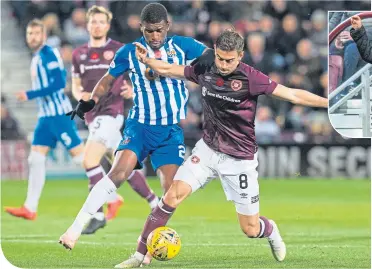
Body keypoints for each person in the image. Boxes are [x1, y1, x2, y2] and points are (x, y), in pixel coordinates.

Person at [114, 29, 328, 268]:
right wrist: (146, 60)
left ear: (240, 56)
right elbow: (169, 69)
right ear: (215, 52)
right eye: (220, 58)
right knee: (171, 196)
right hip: (207, 151)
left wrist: (328, 103)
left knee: (250, 228)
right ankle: (140, 255)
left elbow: (292, 94)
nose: (224, 65)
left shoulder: (251, 78)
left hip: (239, 159)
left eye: (229, 60)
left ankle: (269, 229)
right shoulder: (205, 68)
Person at [59, 2, 211, 250]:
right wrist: (89, 102)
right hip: (139, 127)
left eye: (159, 30)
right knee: (117, 174)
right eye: (149, 30)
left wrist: (199, 65)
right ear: (141, 27)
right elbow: (108, 80)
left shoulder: (181, 45)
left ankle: (151, 244)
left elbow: (209, 54)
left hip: (169, 131)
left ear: (167, 27)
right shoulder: (129, 52)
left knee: (172, 191)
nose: (154, 36)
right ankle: (74, 230)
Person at [71, 5, 159, 235]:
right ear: (88, 24)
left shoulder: (119, 49)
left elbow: (142, 73)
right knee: (123, 166)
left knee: (89, 161)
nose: (97, 25)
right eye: (93, 21)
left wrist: (132, 90)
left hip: (111, 113)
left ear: (108, 25)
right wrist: (77, 93)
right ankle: (154, 202)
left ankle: (99, 213)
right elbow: (75, 83)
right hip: (93, 115)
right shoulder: (78, 54)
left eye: (101, 21)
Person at [4, 19, 85, 220]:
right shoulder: (37, 56)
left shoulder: (49, 54)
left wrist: (30, 94)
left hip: (58, 115)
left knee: (80, 158)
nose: (32, 37)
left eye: (36, 34)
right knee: (36, 158)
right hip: (45, 117)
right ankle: (30, 207)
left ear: (44, 36)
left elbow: (58, 83)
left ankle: (111, 195)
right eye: (29, 34)